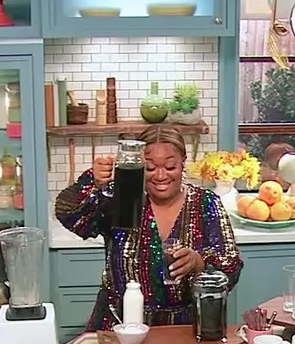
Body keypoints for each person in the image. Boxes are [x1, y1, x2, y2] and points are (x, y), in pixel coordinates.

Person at [55, 124, 243, 331]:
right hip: (118, 325)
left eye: (170, 167)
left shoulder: (205, 203)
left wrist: (199, 263)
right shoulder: (122, 199)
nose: (160, 176)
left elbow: (230, 270)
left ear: (183, 163)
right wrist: (93, 181)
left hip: (184, 329)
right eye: (151, 168)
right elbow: (69, 214)